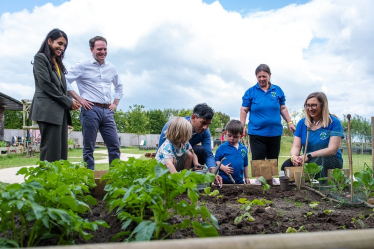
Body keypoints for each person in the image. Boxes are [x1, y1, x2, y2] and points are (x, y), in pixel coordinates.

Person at [66, 36, 123, 170]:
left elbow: (119, 86)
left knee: (114, 145)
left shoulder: (111, 68)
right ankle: (89, 178)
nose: (103, 52)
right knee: (89, 147)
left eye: (105, 49)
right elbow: (65, 80)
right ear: (92, 49)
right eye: (99, 49)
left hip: (107, 111)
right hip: (90, 109)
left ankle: (116, 177)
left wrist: (115, 103)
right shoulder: (82, 65)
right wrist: (79, 99)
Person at [29, 29, 81, 162]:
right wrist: (69, 102)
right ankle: (47, 181)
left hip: (60, 112)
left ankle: (59, 181)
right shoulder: (40, 58)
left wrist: (71, 102)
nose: (62, 48)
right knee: (51, 152)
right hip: (48, 111)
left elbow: (61, 88)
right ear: (49, 41)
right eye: (59, 43)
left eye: (64, 46)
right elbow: (46, 84)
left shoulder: (57, 63)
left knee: (61, 151)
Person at [240, 64, 295, 163]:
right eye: (259, 77)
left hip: (274, 132)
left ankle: (271, 178)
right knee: (258, 161)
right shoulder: (250, 92)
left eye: (264, 76)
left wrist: (290, 123)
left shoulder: (277, 90)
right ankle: (258, 179)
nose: (261, 79)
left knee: (273, 160)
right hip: (256, 133)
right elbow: (244, 110)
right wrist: (242, 126)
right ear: (256, 77)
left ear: (269, 75)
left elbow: (282, 108)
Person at [281, 92, 344, 178]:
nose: (310, 108)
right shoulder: (302, 123)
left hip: (330, 159)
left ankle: (319, 188)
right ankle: (293, 190)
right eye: (307, 105)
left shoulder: (334, 123)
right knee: (286, 165)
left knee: (317, 165)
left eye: (314, 105)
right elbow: (296, 147)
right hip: (307, 159)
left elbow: (332, 150)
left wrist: (309, 156)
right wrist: (294, 157)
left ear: (323, 106)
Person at [158, 103, 222, 186]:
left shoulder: (204, 132)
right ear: (193, 117)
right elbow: (161, 151)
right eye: (203, 123)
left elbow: (208, 153)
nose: (205, 127)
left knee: (197, 151)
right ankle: (173, 181)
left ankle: (189, 179)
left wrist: (213, 173)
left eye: (208, 124)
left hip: (181, 155)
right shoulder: (173, 126)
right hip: (168, 160)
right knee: (171, 160)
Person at [215, 120, 250, 184]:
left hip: (239, 182)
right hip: (224, 181)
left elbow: (245, 164)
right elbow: (217, 161)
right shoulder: (221, 148)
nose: (232, 138)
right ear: (225, 133)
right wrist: (223, 168)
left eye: (235, 137)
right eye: (229, 136)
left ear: (241, 136)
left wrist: (247, 177)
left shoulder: (243, 149)